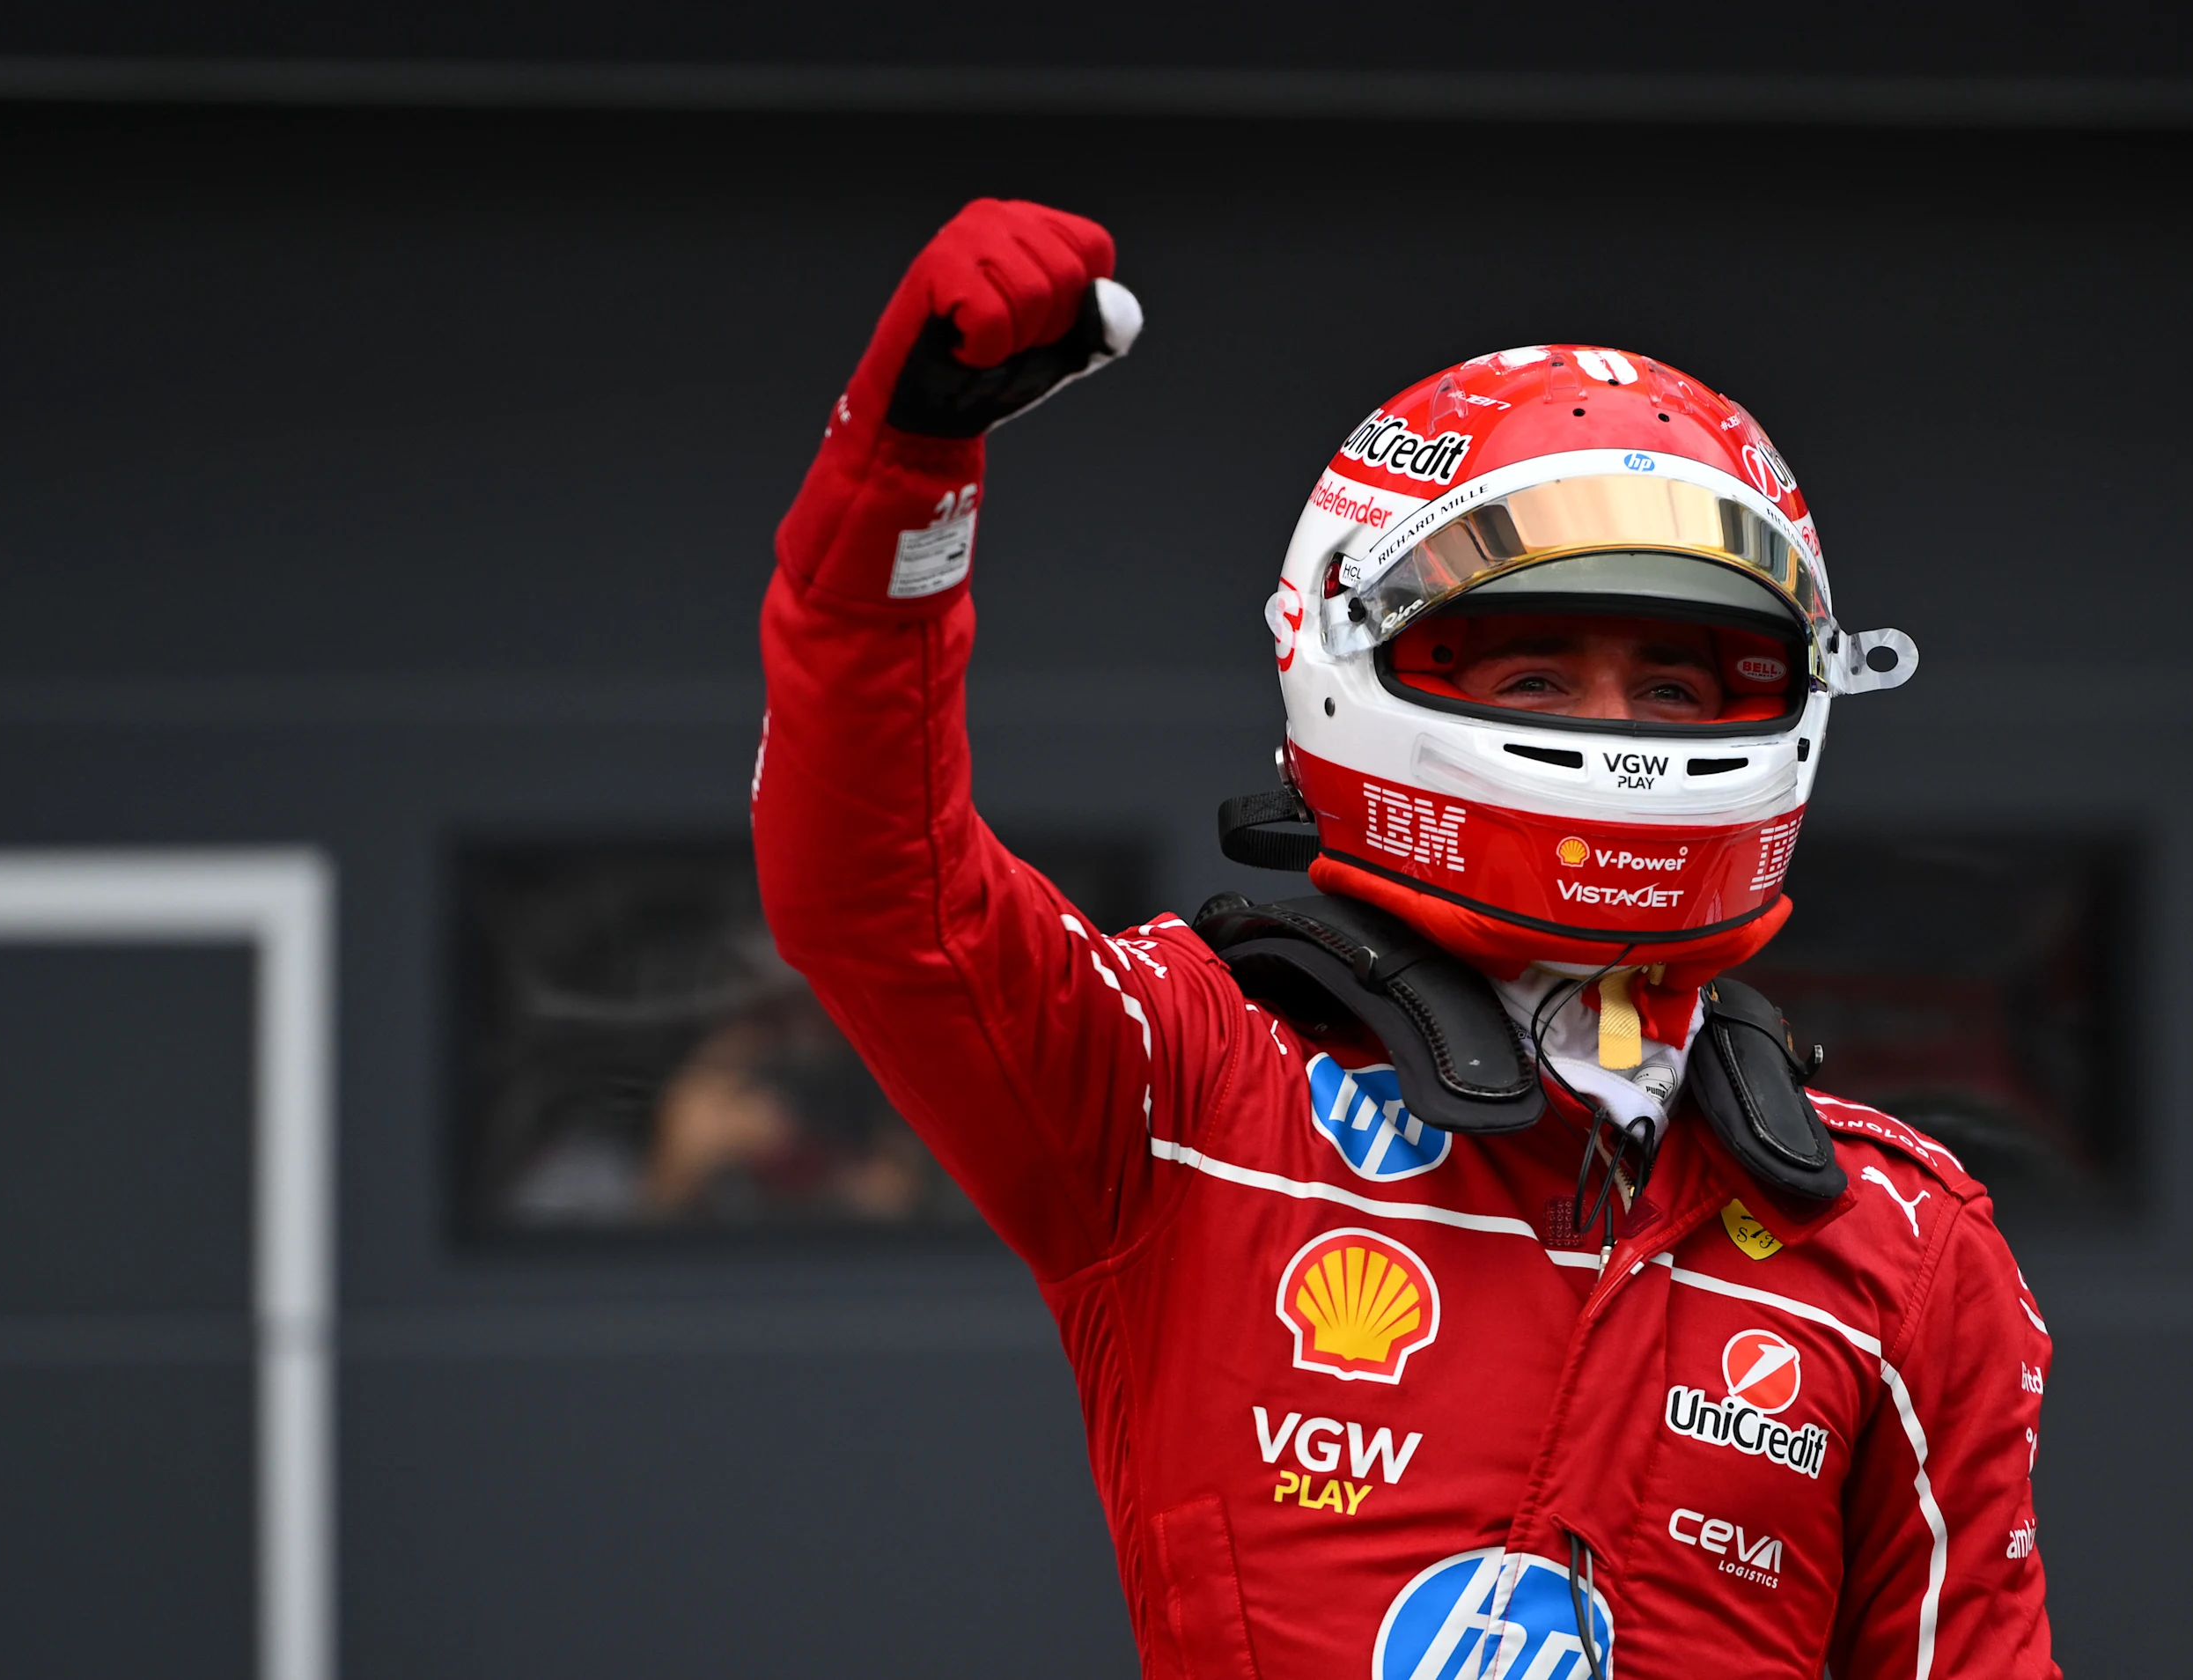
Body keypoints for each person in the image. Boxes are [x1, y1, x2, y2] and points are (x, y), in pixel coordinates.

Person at [754, 198, 2056, 1678]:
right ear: (1344, 653)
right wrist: (902, 473)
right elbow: (873, 891)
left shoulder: (1898, 1244)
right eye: (1538, 674)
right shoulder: (1191, 1089)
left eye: (1679, 690)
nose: (1616, 736)